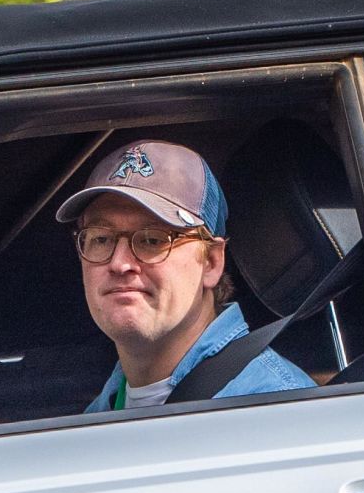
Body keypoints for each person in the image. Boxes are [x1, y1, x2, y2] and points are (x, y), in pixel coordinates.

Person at [62, 139, 318, 411]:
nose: (120, 263)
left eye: (152, 240)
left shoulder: (274, 411)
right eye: (101, 239)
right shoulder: (98, 414)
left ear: (211, 262)